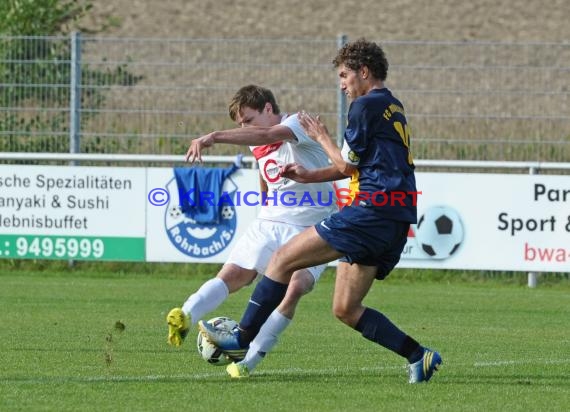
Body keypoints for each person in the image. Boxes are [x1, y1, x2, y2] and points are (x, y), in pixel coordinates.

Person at [201, 39, 442, 383]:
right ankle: (419, 355)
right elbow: (356, 168)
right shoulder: (392, 105)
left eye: (344, 75)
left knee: (282, 259)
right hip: (396, 217)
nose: (342, 84)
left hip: (370, 211)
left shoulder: (364, 106)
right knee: (345, 308)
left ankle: (241, 338)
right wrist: (309, 175)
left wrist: (323, 136)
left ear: (364, 71)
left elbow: (345, 163)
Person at [166, 85, 337, 361]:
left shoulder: (297, 123)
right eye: (240, 123)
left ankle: (249, 362)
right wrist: (264, 200)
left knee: (295, 287)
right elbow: (263, 165)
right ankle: (185, 314)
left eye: (247, 119)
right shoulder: (254, 139)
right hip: (271, 220)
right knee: (232, 274)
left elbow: (266, 134)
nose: (244, 127)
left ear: (268, 108)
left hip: (312, 225)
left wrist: (214, 137)